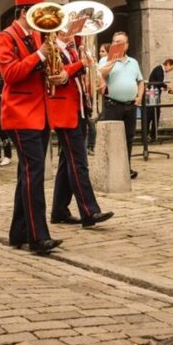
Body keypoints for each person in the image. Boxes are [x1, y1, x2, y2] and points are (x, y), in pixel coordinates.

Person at [0, 0, 63, 255]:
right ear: (25, 13)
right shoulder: (6, 37)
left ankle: (18, 232)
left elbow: (42, 70)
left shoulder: (37, 37)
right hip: (20, 114)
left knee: (27, 174)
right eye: (38, 14)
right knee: (33, 174)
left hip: (41, 113)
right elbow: (10, 74)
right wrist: (40, 55)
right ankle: (38, 236)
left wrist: (57, 74)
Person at [50, 30, 114, 228]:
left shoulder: (74, 50)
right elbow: (58, 76)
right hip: (64, 111)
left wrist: (95, 75)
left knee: (66, 162)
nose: (71, 34)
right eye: (66, 30)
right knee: (79, 163)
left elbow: (80, 77)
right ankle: (89, 211)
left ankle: (59, 210)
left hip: (79, 109)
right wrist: (81, 64)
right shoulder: (53, 51)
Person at [98, 32, 145, 179]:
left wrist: (139, 97)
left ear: (126, 45)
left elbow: (140, 80)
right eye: (115, 42)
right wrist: (112, 60)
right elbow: (101, 74)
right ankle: (112, 168)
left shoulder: (133, 62)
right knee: (112, 137)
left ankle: (126, 167)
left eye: (120, 42)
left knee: (129, 137)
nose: (117, 45)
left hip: (131, 105)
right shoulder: (105, 60)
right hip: (113, 104)